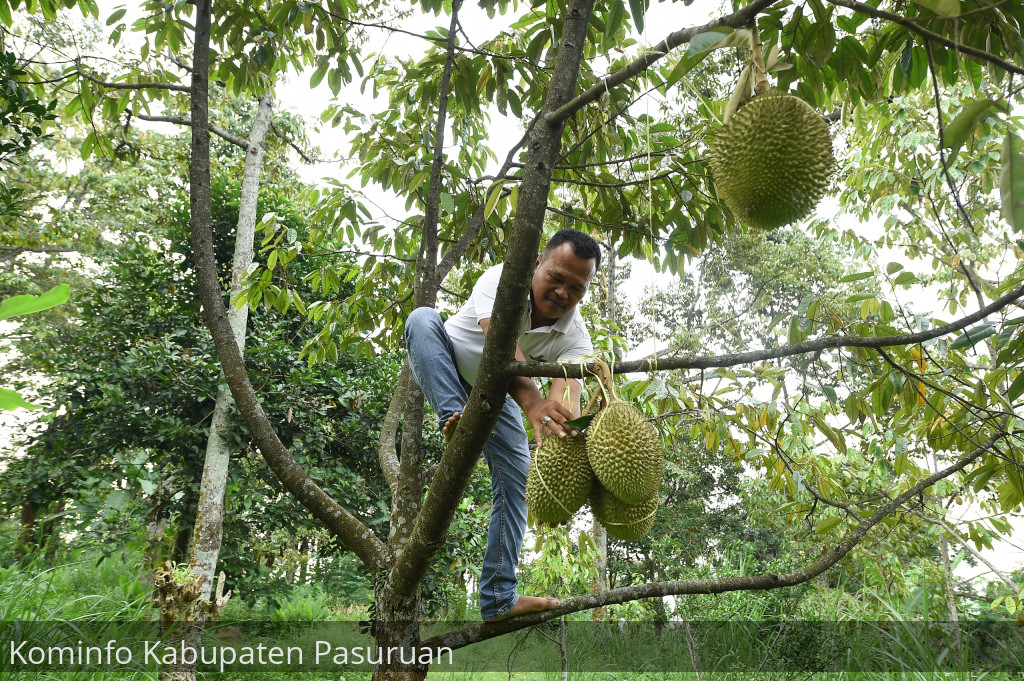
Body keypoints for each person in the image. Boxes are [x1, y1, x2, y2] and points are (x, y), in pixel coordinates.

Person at [403, 228, 601, 622]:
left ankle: (498, 597)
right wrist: (532, 402)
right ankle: (454, 423)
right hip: (448, 365)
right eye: (556, 278)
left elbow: (566, 397)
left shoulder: (576, 336)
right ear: (537, 264)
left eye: (576, 288)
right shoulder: (501, 279)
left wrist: (562, 438)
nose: (563, 293)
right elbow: (500, 347)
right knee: (422, 319)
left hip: (495, 396)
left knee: (517, 480)